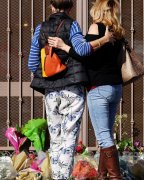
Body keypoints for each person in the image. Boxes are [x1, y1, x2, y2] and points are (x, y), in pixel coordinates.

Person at [27, 0, 114, 179]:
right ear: (70, 7)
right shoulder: (72, 24)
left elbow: (32, 63)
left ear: (51, 6)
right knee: (68, 139)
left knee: (56, 138)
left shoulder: (39, 28)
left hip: (51, 91)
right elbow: (82, 50)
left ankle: (57, 175)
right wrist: (104, 39)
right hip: (72, 89)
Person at [47, 0, 124, 179]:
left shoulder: (96, 28)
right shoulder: (117, 31)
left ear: (98, 10)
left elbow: (83, 54)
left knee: (103, 137)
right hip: (115, 87)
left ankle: (115, 177)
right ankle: (102, 176)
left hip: (99, 88)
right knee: (107, 136)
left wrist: (63, 46)